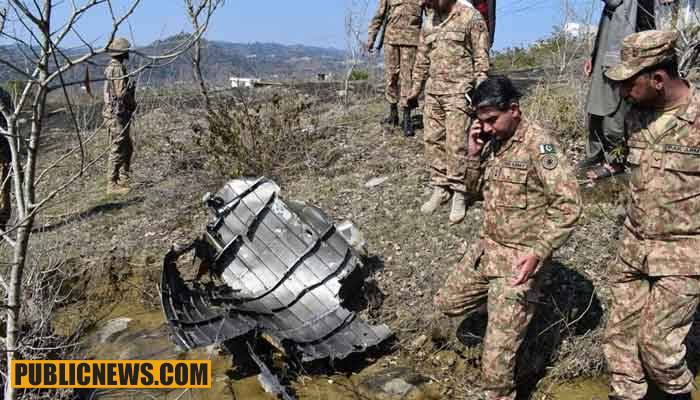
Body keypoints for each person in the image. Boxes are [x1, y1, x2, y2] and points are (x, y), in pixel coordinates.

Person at [433, 76, 582, 400]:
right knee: (446, 303)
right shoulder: (493, 142)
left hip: (519, 261)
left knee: (495, 375)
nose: (485, 128)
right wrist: (472, 153)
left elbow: (569, 206)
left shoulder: (540, 145)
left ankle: (509, 350)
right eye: (480, 121)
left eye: (491, 120)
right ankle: (502, 317)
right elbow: (471, 194)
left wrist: (538, 251)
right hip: (487, 250)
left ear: (513, 109)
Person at [602, 30, 700, 400]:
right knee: (620, 344)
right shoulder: (635, 116)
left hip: (684, 253)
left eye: (629, 84)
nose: (622, 93)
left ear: (658, 79)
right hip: (633, 248)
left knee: (659, 348)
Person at [409, 0, 490, 224]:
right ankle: (440, 186)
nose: (430, 4)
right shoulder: (430, 19)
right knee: (432, 139)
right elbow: (422, 57)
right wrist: (415, 88)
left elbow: (481, 58)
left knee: (456, 144)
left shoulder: (470, 17)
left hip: (458, 92)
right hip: (433, 92)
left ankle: (459, 192)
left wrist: (480, 91)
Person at [579, 0, 656, 180]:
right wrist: (593, 55)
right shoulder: (611, 5)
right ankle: (595, 155)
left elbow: (647, 30)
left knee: (614, 112)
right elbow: (604, 31)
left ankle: (615, 161)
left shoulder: (637, 3)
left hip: (622, 62)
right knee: (596, 107)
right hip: (603, 59)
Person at [367, 0, 424, 136]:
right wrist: (371, 38)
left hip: (411, 40)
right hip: (391, 40)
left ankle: (407, 117)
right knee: (391, 77)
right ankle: (393, 114)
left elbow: (433, 14)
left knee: (407, 79)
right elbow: (379, 15)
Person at [103, 37, 137, 195]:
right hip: (116, 114)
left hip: (118, 113)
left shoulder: (114, 67)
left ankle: (124, 177)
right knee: (118, 146)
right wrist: (132, 101)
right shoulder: (116, 69)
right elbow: (121, 93)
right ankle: (112, 184)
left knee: (127, 146)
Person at [0, 87, 12, 232]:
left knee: (3, 188)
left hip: (3, 150)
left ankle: (1, 227)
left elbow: (10, 125)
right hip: (6, 150)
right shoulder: (5, 95)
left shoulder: (3, 96)